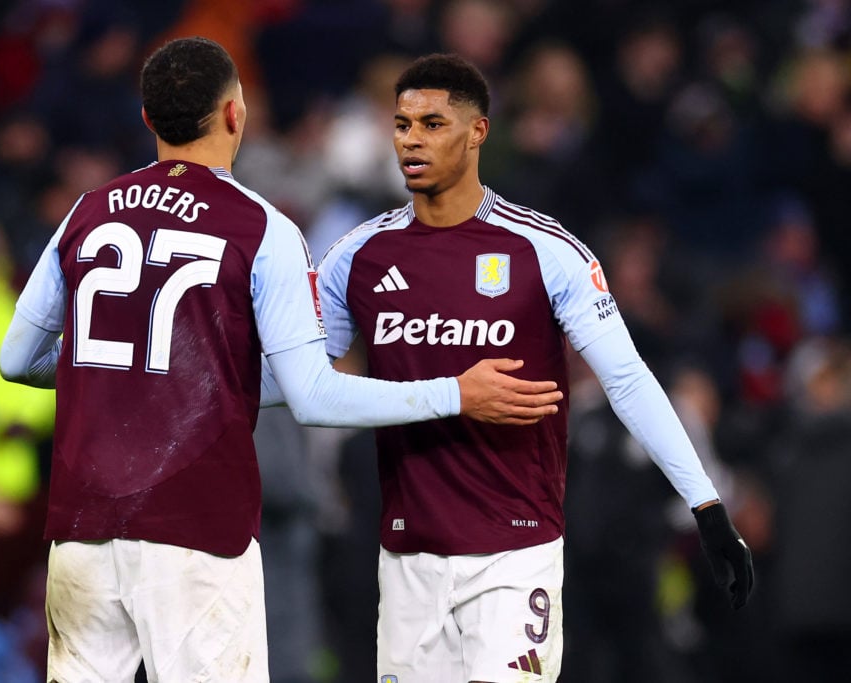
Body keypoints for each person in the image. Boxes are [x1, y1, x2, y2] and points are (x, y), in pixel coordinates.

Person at [0, 36, 563, 683]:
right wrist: (455, 392)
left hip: (84, 528)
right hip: (196, 532)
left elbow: (18, 359)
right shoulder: (259, 227)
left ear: (149, 117)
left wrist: (129, 375)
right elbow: (313, 396)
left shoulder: (87, 210)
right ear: (234, 113)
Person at [315, 53, 755, 683]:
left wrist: (706, 505)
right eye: (402, 124)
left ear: (478, 132)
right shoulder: (355, 256)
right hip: (407, 558)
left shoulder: (545, 250)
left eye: (433, 124)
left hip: (514, 553)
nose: (411, 140)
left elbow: (627, 379)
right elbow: (306, 388)